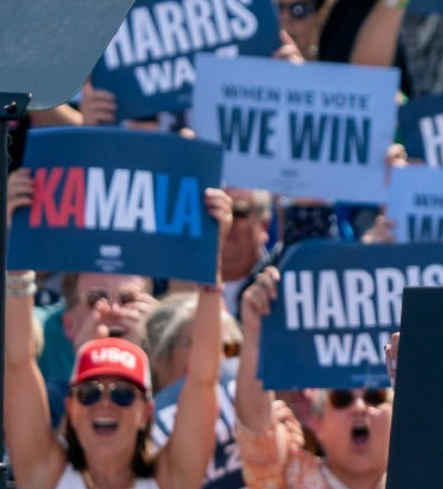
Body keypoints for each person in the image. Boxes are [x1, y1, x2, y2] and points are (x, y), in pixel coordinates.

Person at [3, 188, 233, 489]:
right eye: (89, 393)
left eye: (123, 394)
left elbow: (203, 378)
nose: (105, 403)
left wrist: (211, 263)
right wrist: (19, 247)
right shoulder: (45, 475)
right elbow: (18, 362)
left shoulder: (171, 479)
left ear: (146, 412)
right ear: (71, 408)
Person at [235, 266, 394, 489]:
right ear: (316, 421)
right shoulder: (287, 477)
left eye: (375, 397)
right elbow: (257, 434)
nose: (360, 407)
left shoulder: (429, 477)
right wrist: (256, 333)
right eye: (341, 399)